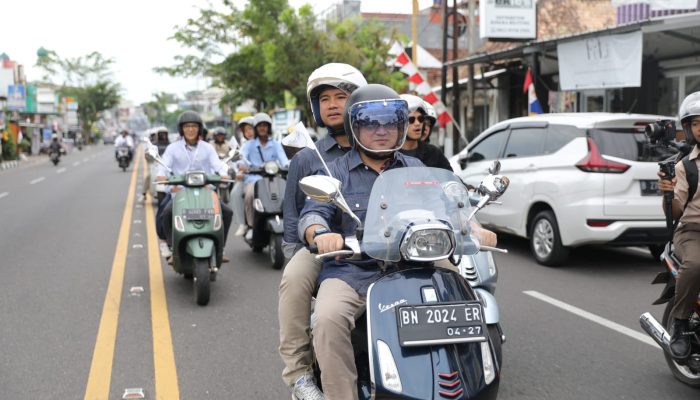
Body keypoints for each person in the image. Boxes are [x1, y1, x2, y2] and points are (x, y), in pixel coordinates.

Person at [278, 63, 367, 400]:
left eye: (341, 97)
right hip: (323, 244)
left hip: (378, 244)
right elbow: (293, 211)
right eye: (325, 98)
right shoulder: (307, 157)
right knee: (295, 279)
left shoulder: (380, 146)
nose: (332, 104)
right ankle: (299, 373)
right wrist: (296, 250)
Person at [155, 111, 233, 263]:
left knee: (227, 212)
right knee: (165, 213)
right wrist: (161, 176)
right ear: (181, 129)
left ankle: (220, 248)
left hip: (205, 191)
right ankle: (171, 246)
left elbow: (217, 164)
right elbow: (163, 166)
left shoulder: (207, 148)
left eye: (194, 126)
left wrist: (224, 173)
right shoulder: (172, 148)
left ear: (199, 128)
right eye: (187, 126)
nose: (190, 129)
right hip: (180, 192)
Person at [657, 91, 700, 360]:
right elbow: (675, 211)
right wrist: (667, 192)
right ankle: (681, 323)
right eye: (696, 123)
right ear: (689, 129)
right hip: (692, 231)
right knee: (696, 263)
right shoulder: (686, 166)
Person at [236, 112, 289, 234]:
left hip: (273, 178)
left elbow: (284, 160)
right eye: (260, 126)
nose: (262, 128)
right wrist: (243, 166)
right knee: (249, 195)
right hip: (253, 179)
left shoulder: (275, 144)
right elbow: (241, 160)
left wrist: (288, 166)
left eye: (265, 125)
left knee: (286, 194)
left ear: (269, 128)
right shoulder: (249, 145)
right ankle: (250, 226)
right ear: (256, 128)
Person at [399, 94, 452, 171]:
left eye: (420, 119)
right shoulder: (389, 155)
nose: (417, 123)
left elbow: (450, 178)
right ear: (400, 124)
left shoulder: (433, 153)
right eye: (411, 120)